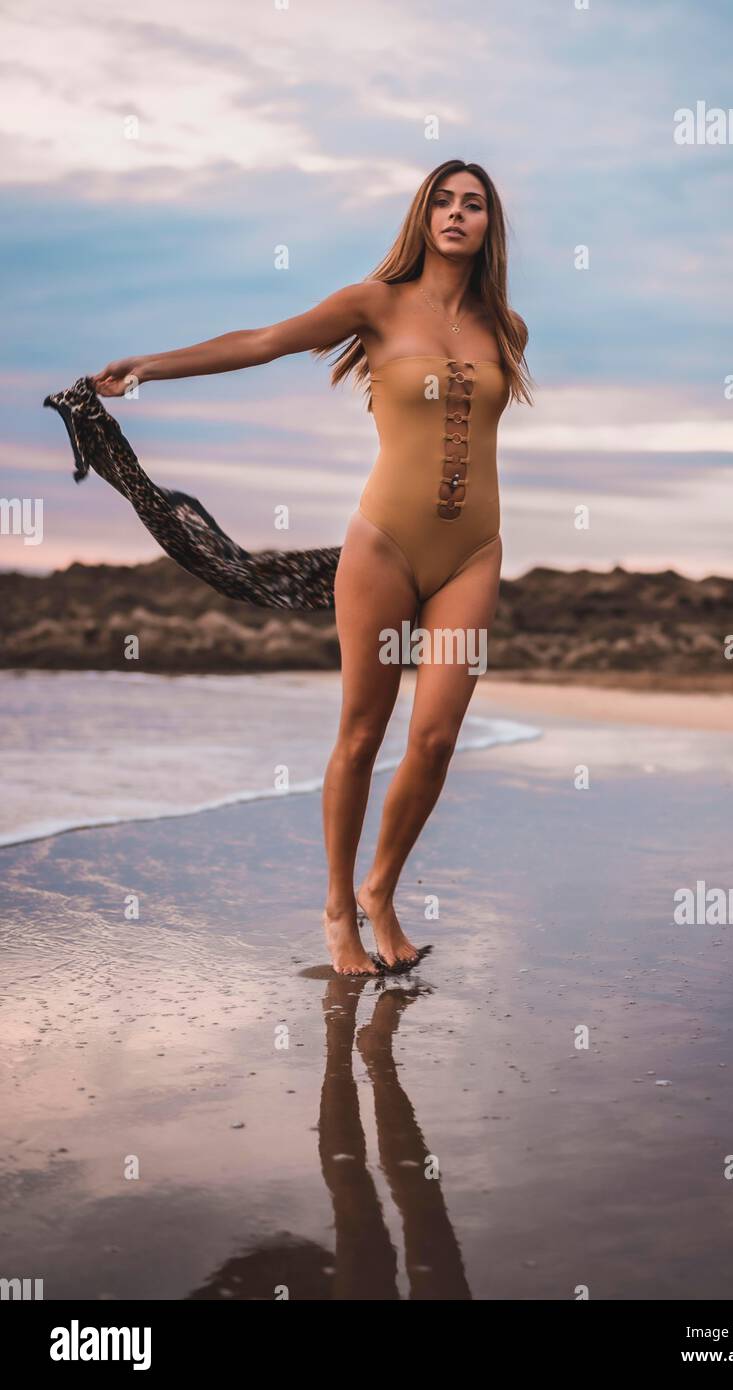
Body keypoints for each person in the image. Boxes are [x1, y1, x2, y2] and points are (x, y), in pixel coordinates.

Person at [92, 158, 532, 977]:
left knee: (436, 737)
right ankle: (337, 909)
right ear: (422, 216)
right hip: (383, 548)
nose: (457, 214)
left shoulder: (506, 324)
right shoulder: (374, 304)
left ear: (488, 226)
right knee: (363, 733)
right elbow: (263, 342)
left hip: (474, 553)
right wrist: (150, 366)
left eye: (473, 204)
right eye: (443, 200)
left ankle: (380, 889)